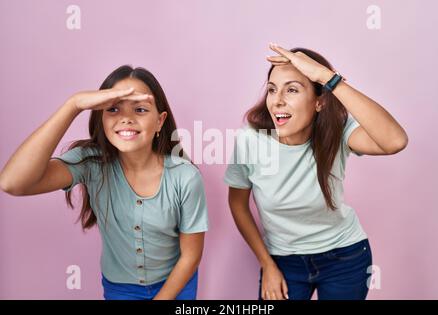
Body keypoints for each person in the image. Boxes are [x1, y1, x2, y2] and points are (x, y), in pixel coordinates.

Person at [0, 65, 209, 300]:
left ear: (160, 121)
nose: (126, 119)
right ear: (101, 116)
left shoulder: (185, 176)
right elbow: (13, 182)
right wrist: (74, 104)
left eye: (140, 109)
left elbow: (191, 256)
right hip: (120, 289)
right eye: (113, 109)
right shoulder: (90, 164)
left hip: (177, 284)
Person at [224, 43, 408, 300]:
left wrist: (328, 78)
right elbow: (237, 204)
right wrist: (267, 264)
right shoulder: (251, 140)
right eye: (272, 90)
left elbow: (395, 141)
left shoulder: (338, 131)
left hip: (345, 257)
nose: (277, 101)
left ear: (319, 102)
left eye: (292, 90)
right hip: (283, 261)